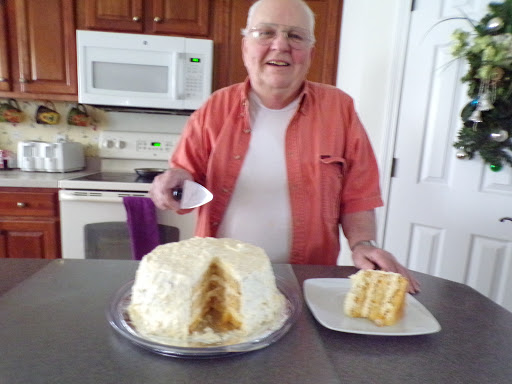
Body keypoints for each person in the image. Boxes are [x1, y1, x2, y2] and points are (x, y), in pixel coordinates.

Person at [150, 0, 420, 293]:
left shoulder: (340, 109)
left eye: (295, 35)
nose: (280, 45)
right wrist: (174, 182)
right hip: (220, 277)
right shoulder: (214, 108)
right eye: (265, 32)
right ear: (245, 47)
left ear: (310, 53)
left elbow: (359, 196)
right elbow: (185, 175)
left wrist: (363, 244)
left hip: (305, 279)